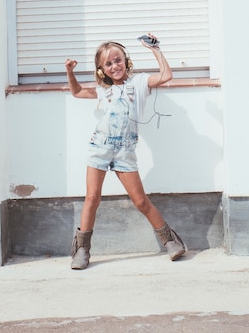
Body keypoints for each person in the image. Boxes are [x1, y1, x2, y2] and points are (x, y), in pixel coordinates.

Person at [65, 33, 186, 270]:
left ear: (126, 61)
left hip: (125, 150)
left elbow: (166, 75)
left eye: (118, 60)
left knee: (140, 201)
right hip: (100, 147)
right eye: (108, 63)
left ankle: (170, 240)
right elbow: (77, 92)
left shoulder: (139, 83)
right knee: (92, 198)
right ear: (102, 69)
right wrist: (70, 72)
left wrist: (156, 49)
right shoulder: (102, 90)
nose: (114, 66)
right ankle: (82, 250)